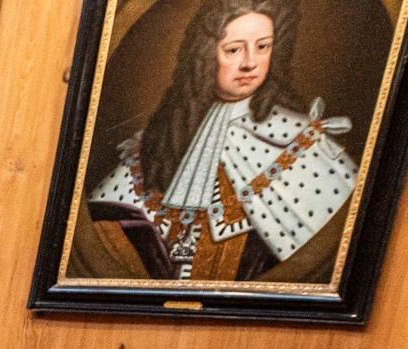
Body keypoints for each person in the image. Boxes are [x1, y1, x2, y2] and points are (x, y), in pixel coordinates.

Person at [82, 0, 355, 282]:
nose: (250, 63)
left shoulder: (299, 140)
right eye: (233, 50)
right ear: (204, 55)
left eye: (263, 47)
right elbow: (102, 221)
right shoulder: (167, 134)